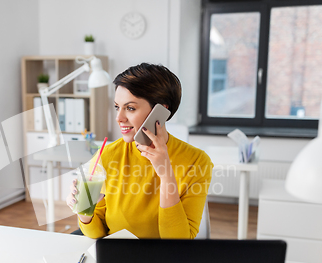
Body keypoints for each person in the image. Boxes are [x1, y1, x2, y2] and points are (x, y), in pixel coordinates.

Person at [66, 63, 214, 239]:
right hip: (117, 255)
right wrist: (84, 211)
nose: (118, 118)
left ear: (160, 112)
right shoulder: (108, 154)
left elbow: (178, 242)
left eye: (130, 108)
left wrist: (166, 175)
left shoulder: (197, 161)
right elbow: (98, 234)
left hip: (163, 261)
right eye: (117, 107)